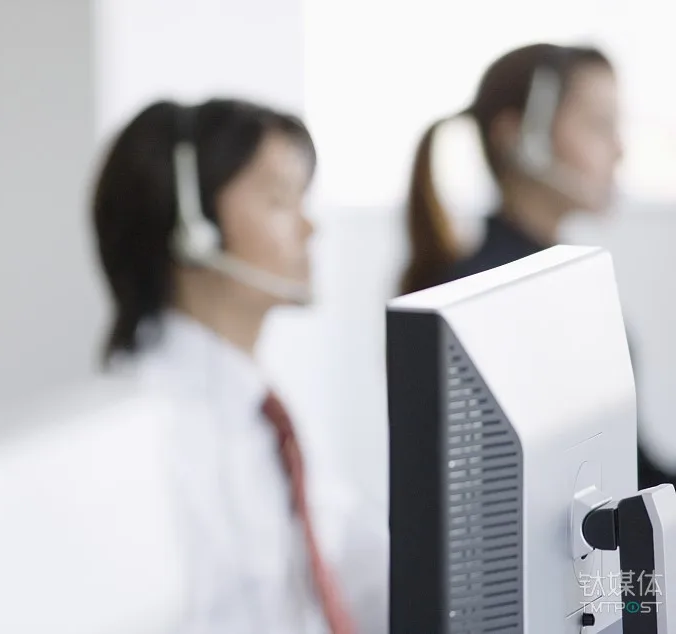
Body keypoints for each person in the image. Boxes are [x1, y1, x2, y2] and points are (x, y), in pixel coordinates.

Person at [92, 98, 388, 633]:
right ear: (193, 228)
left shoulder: (270, 410)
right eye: (280, 201)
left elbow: (355, 562)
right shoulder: (141, 437)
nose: (309, 227)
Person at [398, 42, 674, 491]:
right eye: (598, 125)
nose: (619, 149)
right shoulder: (483, 295)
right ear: (517, 138)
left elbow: (625, 466)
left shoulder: (568, 282)